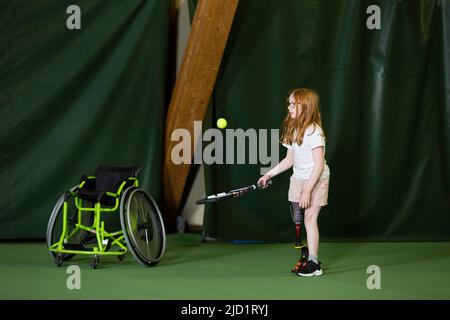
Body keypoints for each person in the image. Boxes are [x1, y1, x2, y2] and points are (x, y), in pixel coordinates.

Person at [258, 88, 330, 277]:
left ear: (304, 107)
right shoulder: (292, 128)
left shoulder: (314, 131)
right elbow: (289, 160)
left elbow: (319, 164)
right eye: (289, 103)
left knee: (310, 219)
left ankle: (314, 264)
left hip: (316, 178)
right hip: (298, 178)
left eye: (293, 104)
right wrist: (268, 175)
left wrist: (307, 191)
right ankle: (305, 258)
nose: (289, 107)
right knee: (299, 220)